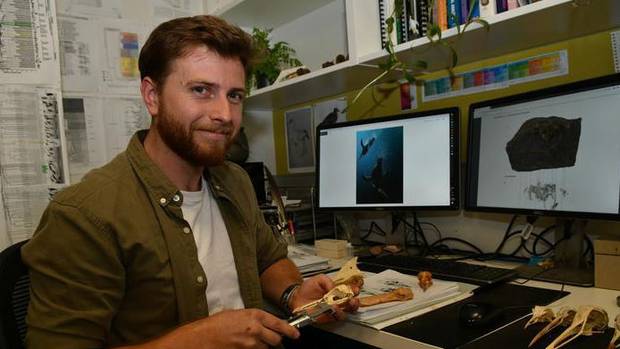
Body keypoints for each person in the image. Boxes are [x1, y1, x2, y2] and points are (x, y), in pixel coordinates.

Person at [22, 15, 358, 349]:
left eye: (235, 96)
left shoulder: (235, 181)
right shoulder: (84, 215)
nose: (225, 115)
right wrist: (201, 339)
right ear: (152, 96)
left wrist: (294, 294)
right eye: (201, 90)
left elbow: (268, 259)